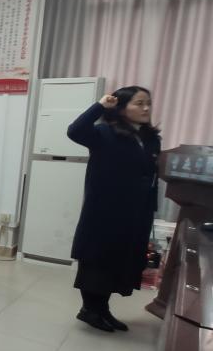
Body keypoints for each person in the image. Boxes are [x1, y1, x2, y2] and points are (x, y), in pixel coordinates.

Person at [67, 87, 161, 333]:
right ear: (121, 106)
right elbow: (74, 131)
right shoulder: (104, 133)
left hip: (136, 212)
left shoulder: (151, 138)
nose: (146, 108)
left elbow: (151, 175)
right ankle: (89, 309)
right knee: (98, 260)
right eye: (139, 103)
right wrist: (100, 106)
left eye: (148, 103)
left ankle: (102, 309)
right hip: (104, 210)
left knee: (119, 262)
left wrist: (151, 208)